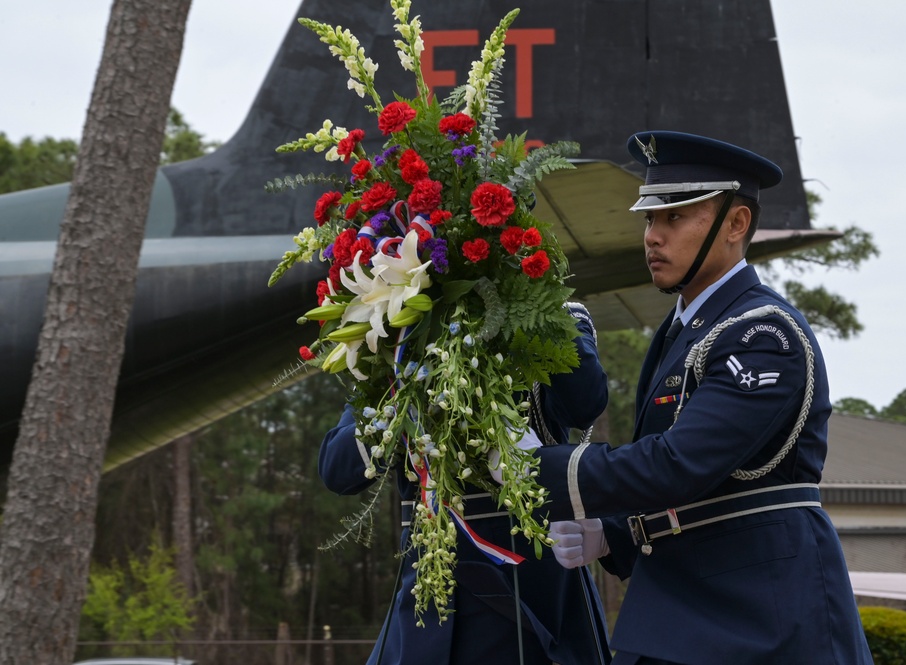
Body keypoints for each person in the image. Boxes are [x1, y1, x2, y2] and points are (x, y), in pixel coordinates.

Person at [535, 131, 875, 664]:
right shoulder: (688, 330)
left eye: (675, 217)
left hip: (760, 624)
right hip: (690, 613)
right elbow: (701, 496)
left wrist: (535, 470)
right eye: (650, 218)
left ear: (735, 224)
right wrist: (614, 536)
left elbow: (679, 465)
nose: (652, 236)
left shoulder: (764, 334)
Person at [318, 302, 612, 665]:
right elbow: (336, 468)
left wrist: (540, 303)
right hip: (430, 601)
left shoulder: (544, 314)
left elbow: (586, 402)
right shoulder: (402, 345)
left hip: (529, 598)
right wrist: (404, 396)